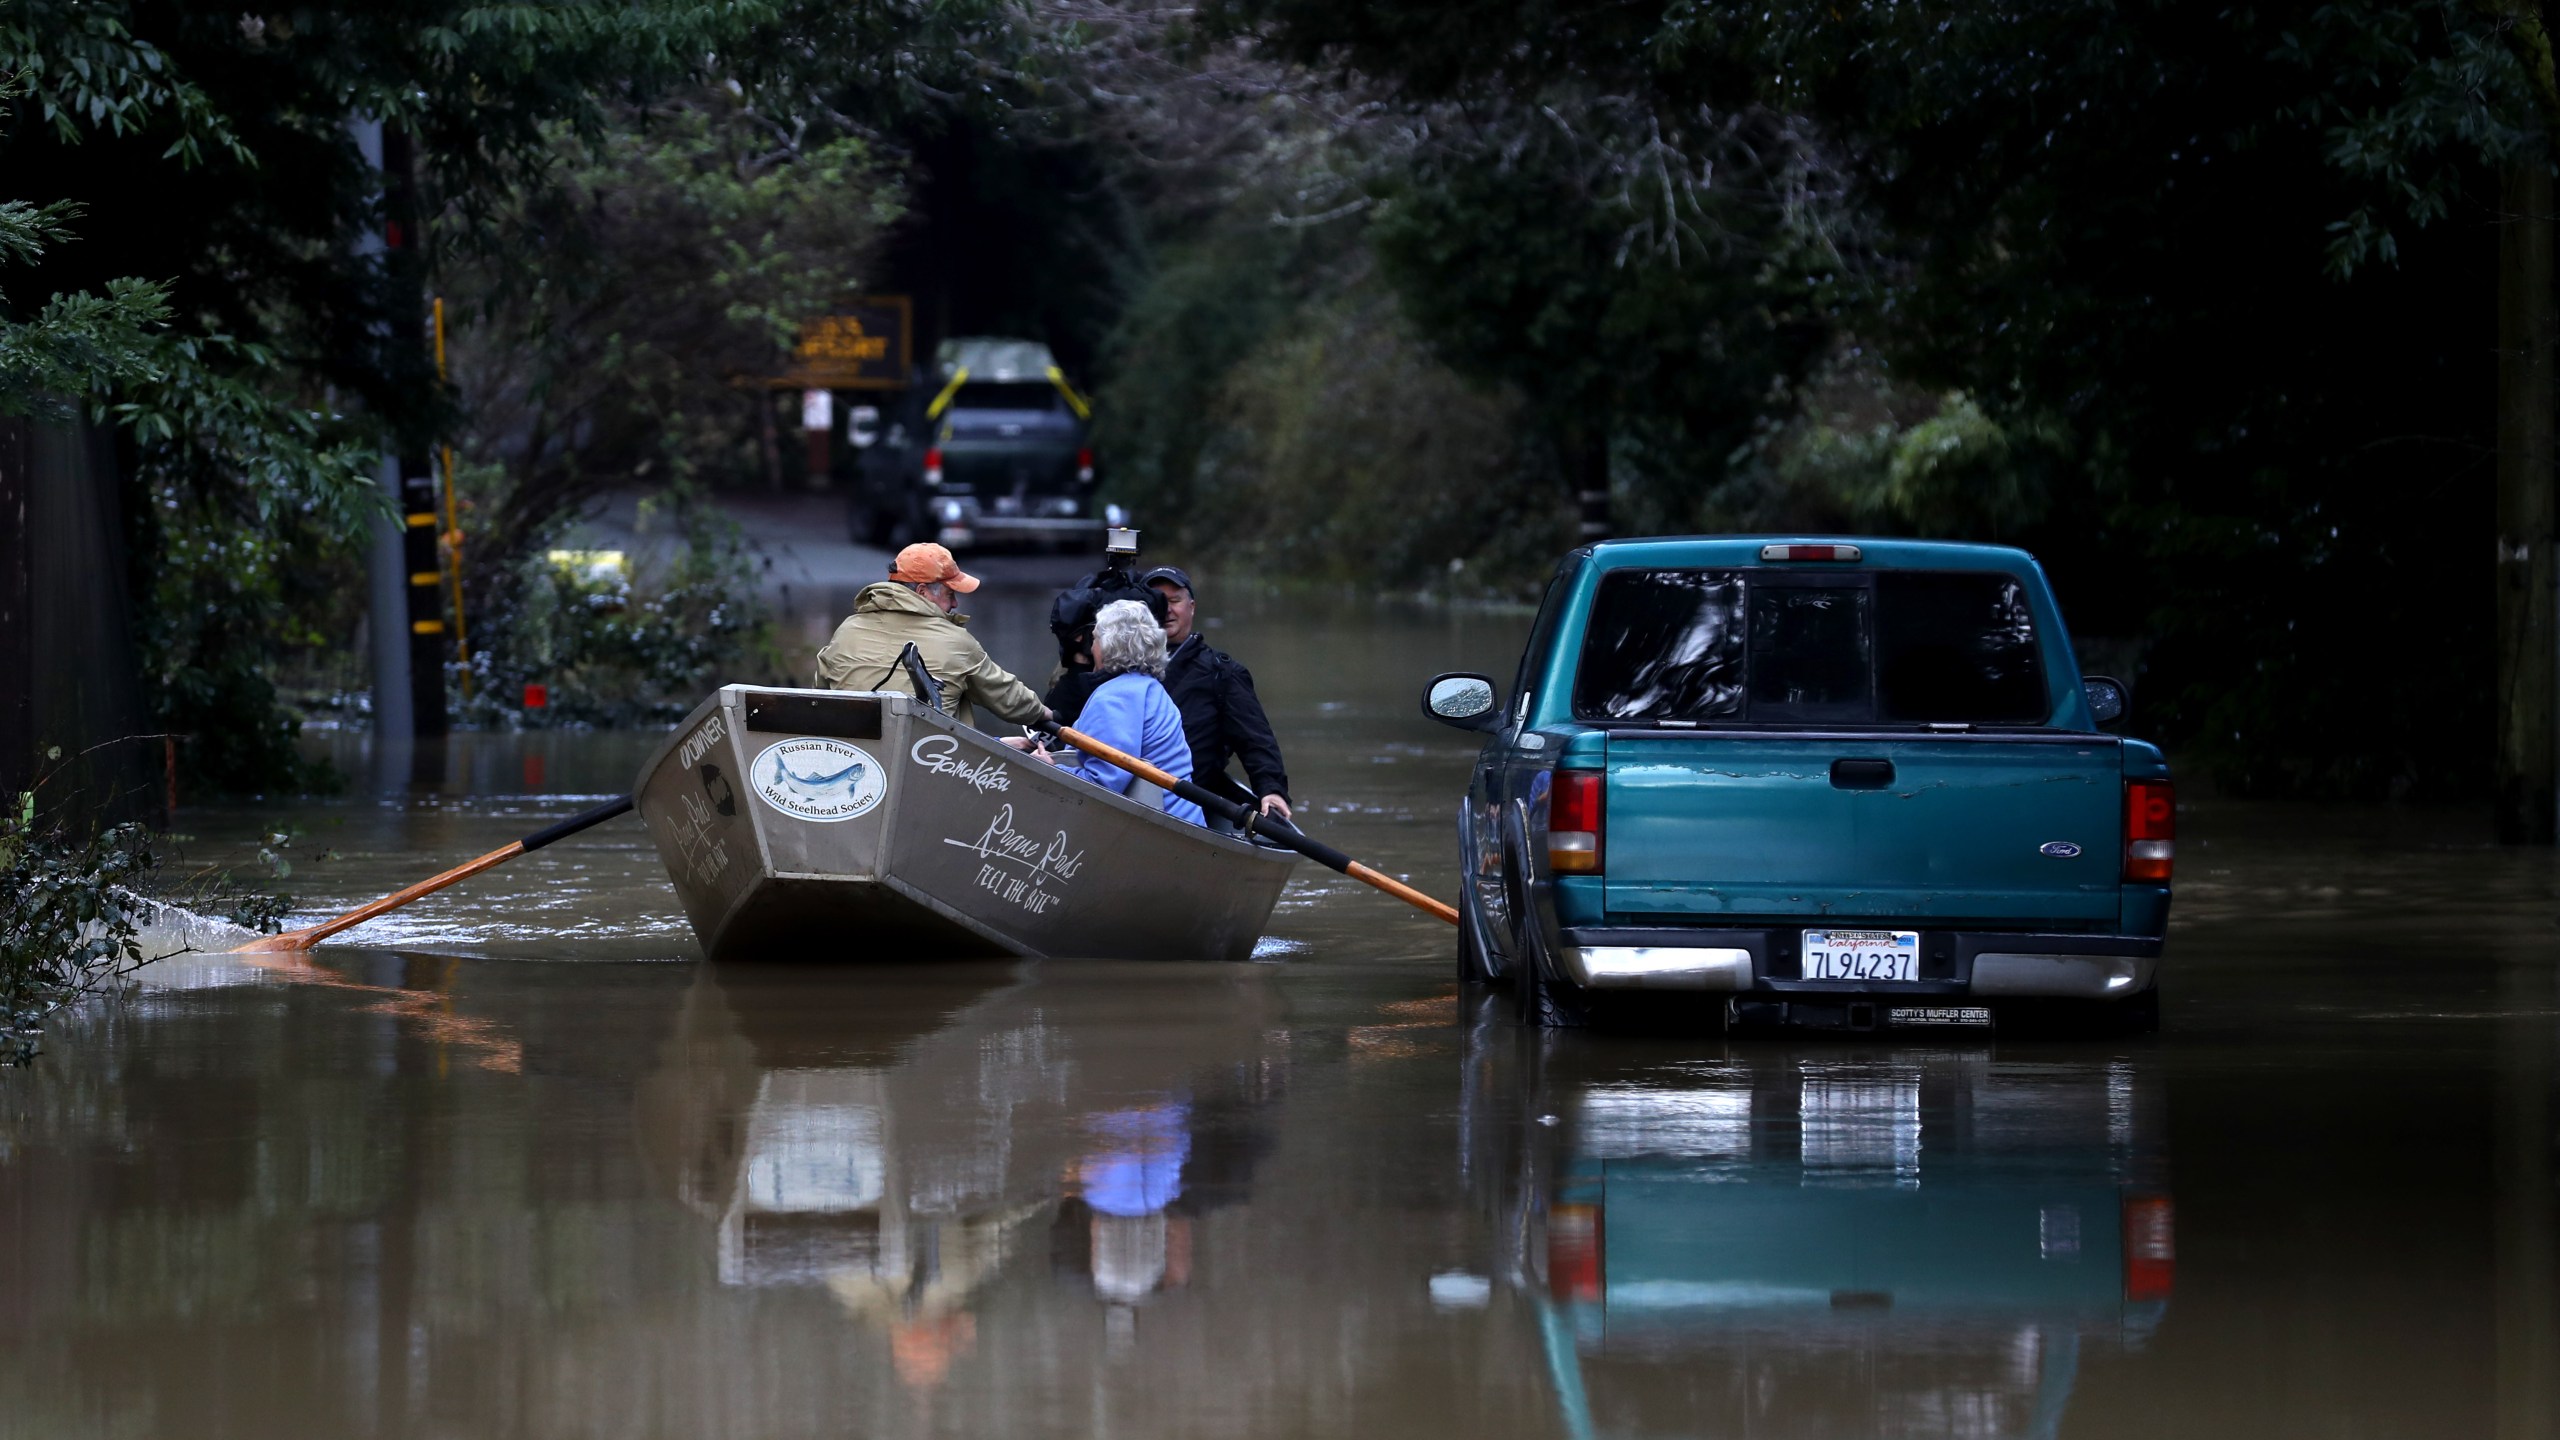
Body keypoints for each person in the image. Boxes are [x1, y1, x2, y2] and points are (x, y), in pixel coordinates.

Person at [813, 543, 1051, 731]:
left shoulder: (847, 630)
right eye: (950, 594)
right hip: (929, 763)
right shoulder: (956, 641)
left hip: (861, 756)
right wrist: (1046, 715)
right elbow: (1008, 699)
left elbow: (819, 694)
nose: (955, 603)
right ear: (922, 592)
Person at [1133, 564, 1291, 827]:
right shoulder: (1118, 666)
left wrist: (1271, 790)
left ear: (1191, 607)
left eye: (1175, 601)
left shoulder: (1224, 673)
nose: (1167, 610)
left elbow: (1256, 740)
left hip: (1185, 803)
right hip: (1123, 790)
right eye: (1158, 602)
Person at [1025, 600, 1205, 826]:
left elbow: (1103, 785)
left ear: (1111, 645)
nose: (1091, 648)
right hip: (1186, 821)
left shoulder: (1115, 697)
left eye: (1096, 638)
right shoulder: (1150, 687)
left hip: (1161, 833)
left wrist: (1049, 768)